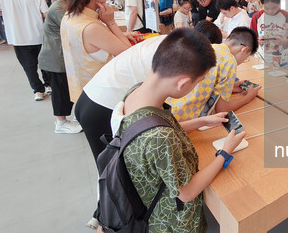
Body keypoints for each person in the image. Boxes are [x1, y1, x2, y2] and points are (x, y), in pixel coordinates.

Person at [107, 28, 246, 233]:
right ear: (182, 83)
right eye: (197, 83)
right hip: (170, 221)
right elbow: (187, 192)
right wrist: (225, 152)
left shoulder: (136, 93)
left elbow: (152, 125)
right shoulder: (161, 138)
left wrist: (200, 121)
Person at [77, 26, 256, 161]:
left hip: (97, 94)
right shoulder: (158, 130)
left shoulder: (173, 44)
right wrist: (248, 97)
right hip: (102, 103)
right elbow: (183, 191)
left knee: (115, 166)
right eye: (198, 80)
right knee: (112, 169)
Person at [60, 0, 132, 105]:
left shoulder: (69, 16)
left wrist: (120, 34)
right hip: (100, 98)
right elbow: (129, 54)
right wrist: (111, 22)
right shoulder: (91, 26)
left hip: (82, 93)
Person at [168, 27, 261, 122]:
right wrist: (248, 98)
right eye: (246, 57)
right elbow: (221, 109)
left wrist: (231, 87)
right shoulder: (229, 61)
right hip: (182, 118)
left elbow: (205, 83)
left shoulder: (209, 47)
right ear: (243, 49)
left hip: (166, 108)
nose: (243, 61)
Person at [0, 0, 51, 101]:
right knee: (44, 63)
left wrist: (7, 14)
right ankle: (49, 85)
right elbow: (46, 13)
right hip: (37, 35)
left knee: (28, 66)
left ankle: (38, 91)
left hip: (17, 37)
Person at [38, 0, 82, 133]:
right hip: (55, 59)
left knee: (68, 90)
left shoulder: (65, 5)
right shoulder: (60, 9)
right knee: (60, 92)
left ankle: (71, 119)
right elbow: (77, 28)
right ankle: (61, 123)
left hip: (61, 57)